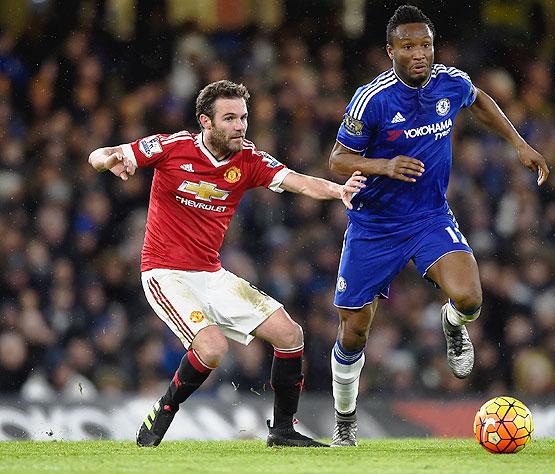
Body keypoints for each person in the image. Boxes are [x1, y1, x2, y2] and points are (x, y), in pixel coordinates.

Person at [88, 79, 365, 448]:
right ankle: (163, 411)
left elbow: (297, 182)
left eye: (243, 118)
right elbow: (101, 154)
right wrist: (108, 159)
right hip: (165, 272)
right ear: (206, 121)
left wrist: (338, 190)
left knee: (290, 335)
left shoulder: (248, 159)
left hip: (211, 273)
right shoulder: (172, 147)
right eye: (230, 118)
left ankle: (282, 431)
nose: (240, 126)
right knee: (213, 348)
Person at [327, 5, 550, 446]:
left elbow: (479, 100)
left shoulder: (450, 81)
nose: (419, 53)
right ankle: (345, 424)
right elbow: (337, 160)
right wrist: (383, 165)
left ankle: (452, 324)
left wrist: (519, 144)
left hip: (429, 216)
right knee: (354, 330)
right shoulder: (371, 98)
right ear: (390, 50)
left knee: (469, 297)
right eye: (408, 46)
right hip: (375, 225)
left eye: (425, 44)